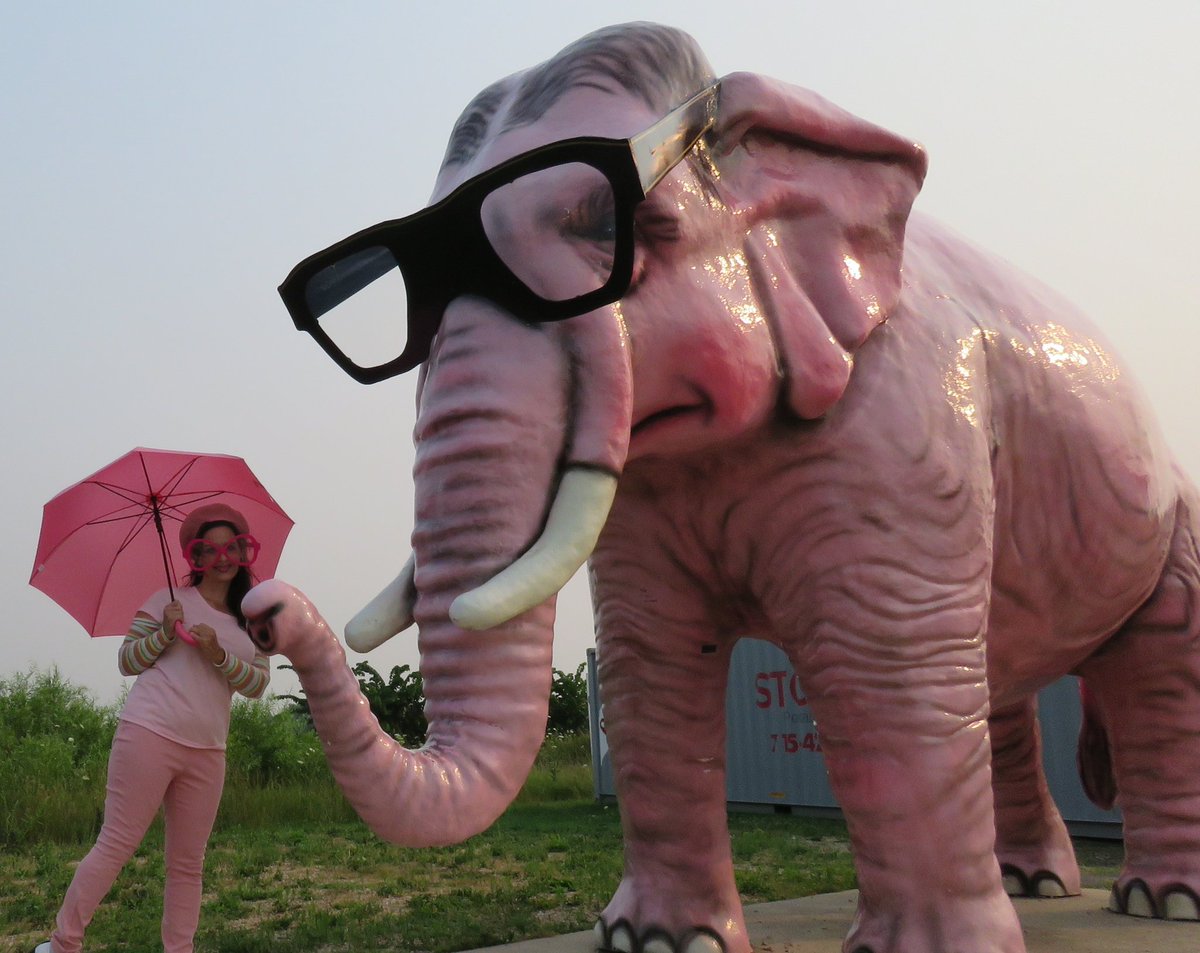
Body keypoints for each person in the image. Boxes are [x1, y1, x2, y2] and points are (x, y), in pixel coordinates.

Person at [35, 503, 271, 953]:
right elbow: (127, 661)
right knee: (117, 843)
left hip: (208, 749)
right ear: (194, 558)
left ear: (244, 552)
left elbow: (258, 684)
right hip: (148, 733)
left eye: (232, 547)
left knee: (188, 864)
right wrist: (165, 632)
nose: (222, 557)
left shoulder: (253, 617)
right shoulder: (166, 602)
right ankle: (61, 944)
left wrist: (217, 653)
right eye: (209, 549)